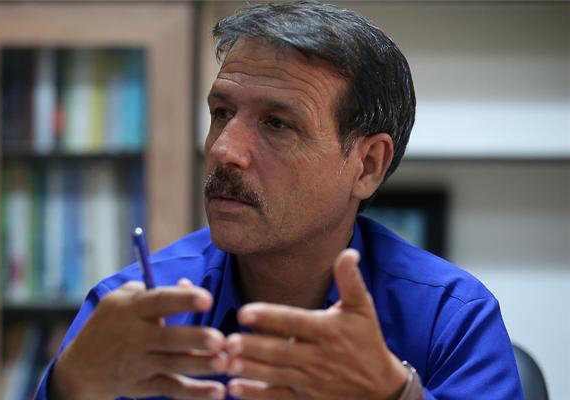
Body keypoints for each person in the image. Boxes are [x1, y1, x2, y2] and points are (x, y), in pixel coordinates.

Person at [36, 2, 523, 399]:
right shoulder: (136, 309)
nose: (224, 150)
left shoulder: (449, 317)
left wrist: (395, 396)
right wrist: (70, 387)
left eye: (276, 123)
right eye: (221, 113)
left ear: (367, 165)